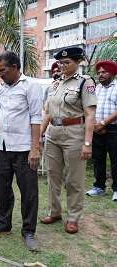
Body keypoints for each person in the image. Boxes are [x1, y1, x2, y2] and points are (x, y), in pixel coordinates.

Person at [0, 51, 42, 251]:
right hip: (3, 147)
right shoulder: (0, 90)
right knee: (1, 187)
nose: (0, 74)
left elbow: (36, 118)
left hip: (24, 148)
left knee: (28, 191)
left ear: (16, 67)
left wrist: (35, 148)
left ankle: (28, 231)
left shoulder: (31, 86)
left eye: (3, 70)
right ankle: (3, 222)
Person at [39, 47, 97, 234]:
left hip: (74, 133)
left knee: (74, 179)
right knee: (53, 176)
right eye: (60, 63)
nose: (62, 66)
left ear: (78, 62)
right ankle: (54, 212)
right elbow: (47, 112)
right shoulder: (55, 84)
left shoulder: (85, 83)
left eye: (67, 62)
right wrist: (40, 134)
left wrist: (87, 143)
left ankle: (73, 217)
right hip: (53, 133)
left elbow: (90, 114)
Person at [86, 60, 117, 201]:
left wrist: (103, 123)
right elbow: (88, 107)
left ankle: (116, 189)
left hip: (113, 129)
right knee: (98, 159)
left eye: (104, 72)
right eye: (99, 73)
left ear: (112, 73)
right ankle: (99, 187)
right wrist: (95, 125)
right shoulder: (95, 88)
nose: (100, 74)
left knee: (115, 159)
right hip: (96, 128)